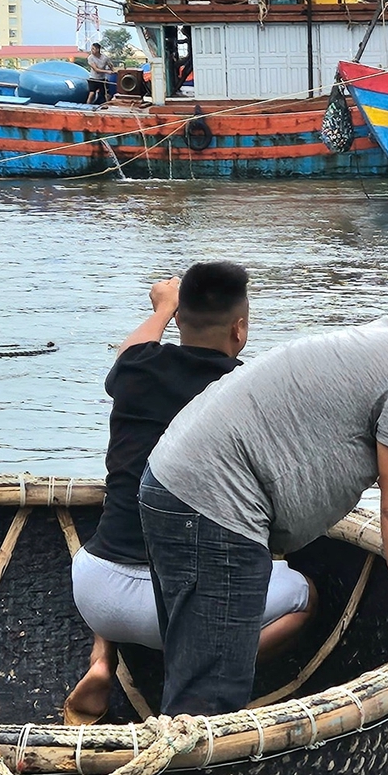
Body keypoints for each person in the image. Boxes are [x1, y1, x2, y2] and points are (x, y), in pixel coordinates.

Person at [141, 264, 388, 716]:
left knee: (194, 665)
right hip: (215, 506)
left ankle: (173, 763)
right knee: (210, 698)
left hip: (166, 483)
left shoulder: (369, 341)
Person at [62, 263, 316, 724]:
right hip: (177, 613)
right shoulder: (247, 392)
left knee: (119, 517)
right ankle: (197, 663)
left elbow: (131, 349)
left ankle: (102, 659)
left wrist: (163, 307)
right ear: (240, 329)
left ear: (179, 320)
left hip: (96, 591)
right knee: (302, 594)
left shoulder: (137, 371)